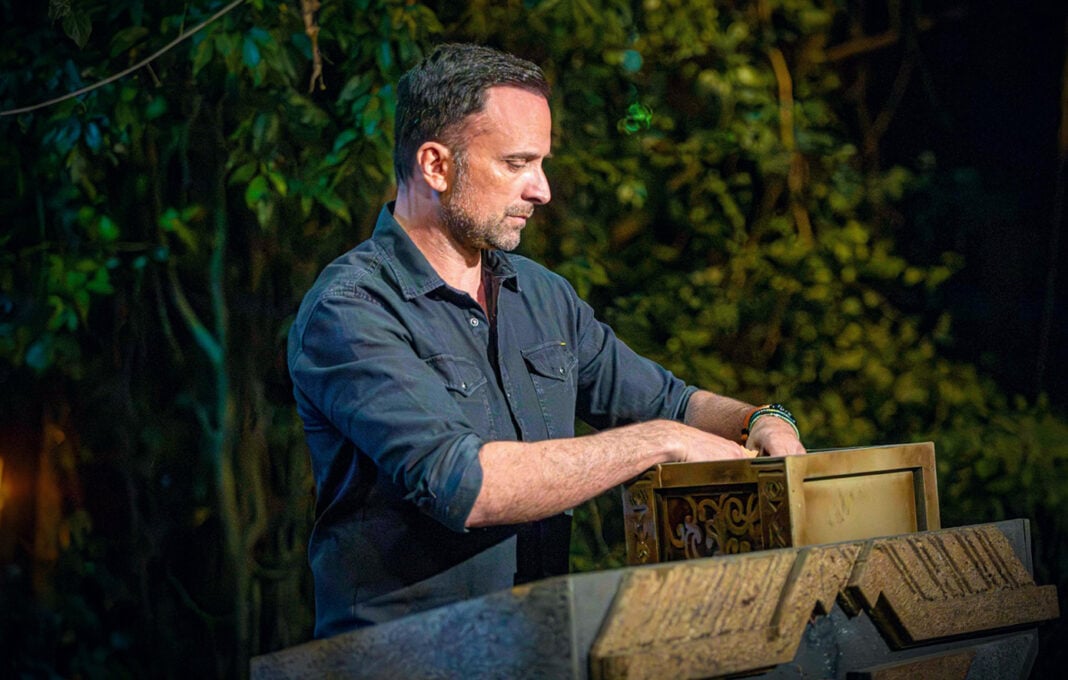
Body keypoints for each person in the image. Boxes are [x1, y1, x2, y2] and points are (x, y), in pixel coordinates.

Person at [287, 42, 806, 638]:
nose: (542, 190)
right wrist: (662, 443)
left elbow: (670, 402)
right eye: (517, 164)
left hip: (536, 644)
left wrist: (761, 420)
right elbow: (465, 484)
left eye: (542, 163)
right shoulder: (349, 309)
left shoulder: (542, 294)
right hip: (405, 657)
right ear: (435, 166)